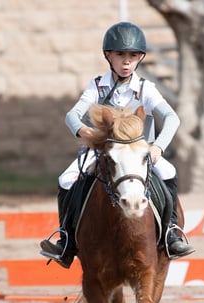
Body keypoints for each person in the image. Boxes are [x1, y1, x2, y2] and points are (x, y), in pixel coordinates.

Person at [40, 21, 195, 268]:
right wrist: (83, 130)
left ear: (140, 58)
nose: (126, 61)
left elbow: (173, 118)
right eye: (120, 55)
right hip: (103, 151)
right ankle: (66, 239)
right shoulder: (97, 85)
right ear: (108, 56)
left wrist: (158, 147)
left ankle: (170, 232)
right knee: (66, 179)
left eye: (133, 56)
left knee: (169, 172)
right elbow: (72, 115)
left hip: (139, 152)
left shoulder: (145, 88)